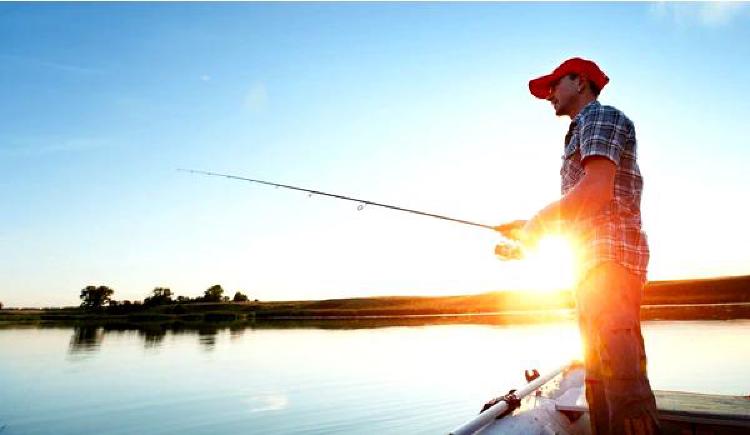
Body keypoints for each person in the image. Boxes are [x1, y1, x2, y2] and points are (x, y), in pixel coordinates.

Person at [495, 57, 661, 434]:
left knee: (623, 382)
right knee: (598, 382)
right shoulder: (578, 131)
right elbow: (578, 214)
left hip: (610, 263)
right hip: (589, 268)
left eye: (555, 84)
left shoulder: (600, 118)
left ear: (580, 82)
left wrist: (537, 223)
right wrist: (526, 238)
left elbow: (597, 191)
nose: (550, 94)